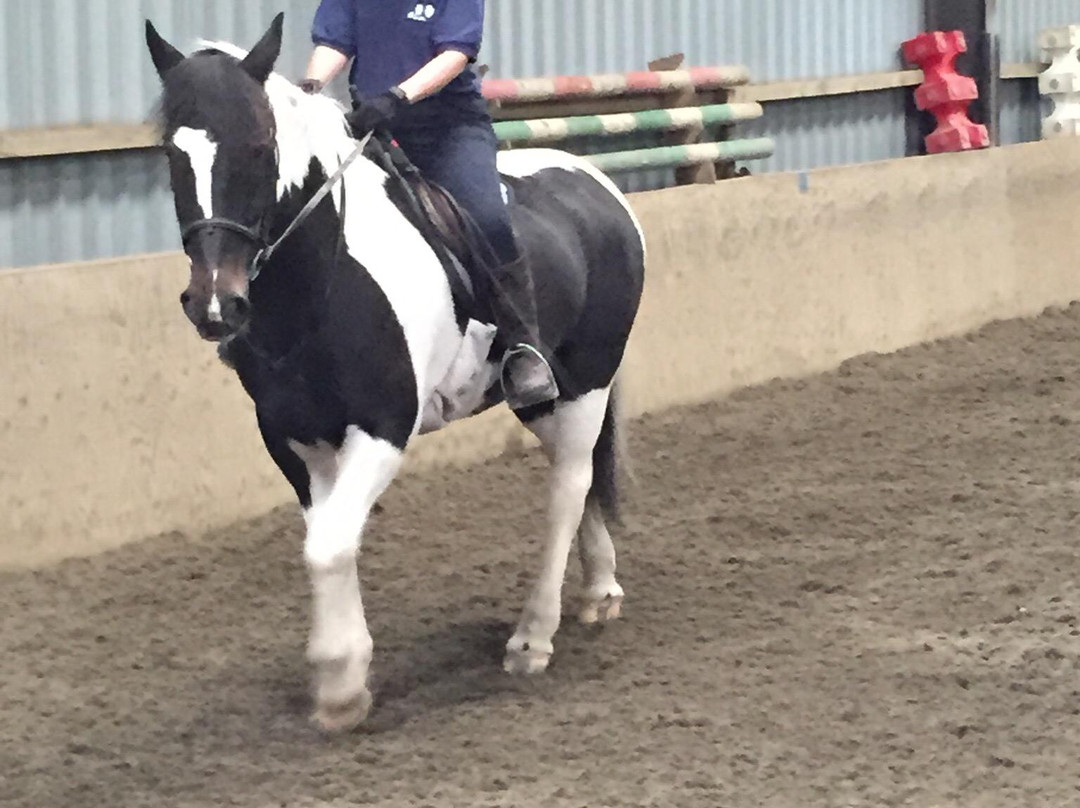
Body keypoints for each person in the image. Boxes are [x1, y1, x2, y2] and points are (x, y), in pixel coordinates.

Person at [302, 0, 560, 410]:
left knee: (487, 219)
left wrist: (397, 96)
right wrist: (311, 89)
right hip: (374, 124)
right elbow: (336, 41)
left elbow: (455, 55)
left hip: (447, 130)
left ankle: (523, 346)